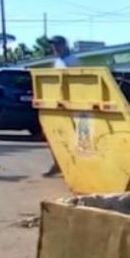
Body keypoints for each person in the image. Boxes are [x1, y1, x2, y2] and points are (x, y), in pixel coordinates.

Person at [42, 36, 81, 177]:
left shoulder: (73, 61)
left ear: (64, 45)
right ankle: (58, 164)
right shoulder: (58, 62)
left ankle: (73, 167)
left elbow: (76, 82)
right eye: (53, 46)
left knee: (74, 137)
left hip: (72, 104)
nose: (55, 48)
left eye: (57, 45)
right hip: (59, 103)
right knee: (55, 135)